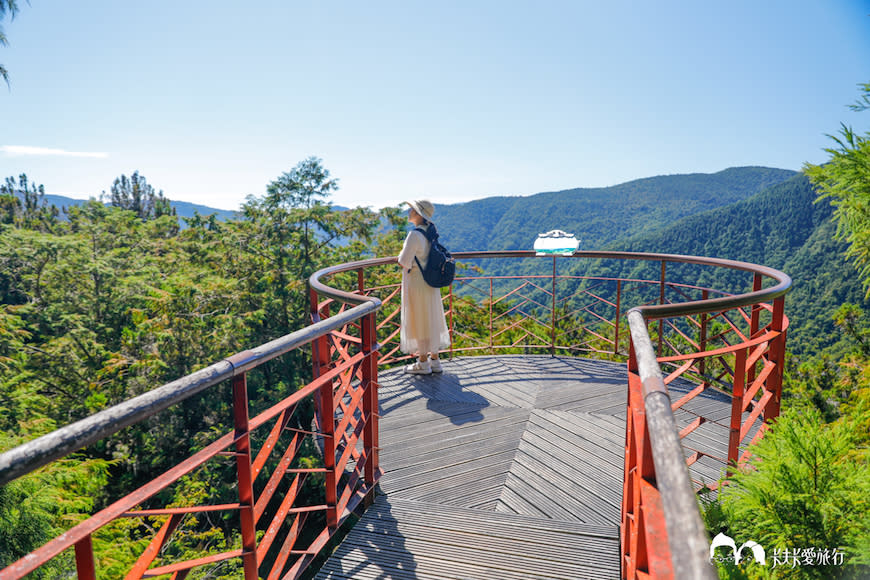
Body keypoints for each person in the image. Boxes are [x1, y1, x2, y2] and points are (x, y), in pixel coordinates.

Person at [397, 199, 451, 374]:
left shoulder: (414, 235)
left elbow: (403, 261)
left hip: (417, 284)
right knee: (431, 318)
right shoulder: (431, 233)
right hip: (431, 282)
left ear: (418, 214)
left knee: (419, 319)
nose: (408, 211)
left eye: (411, 209)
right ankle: (434, 360)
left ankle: (422, 363)